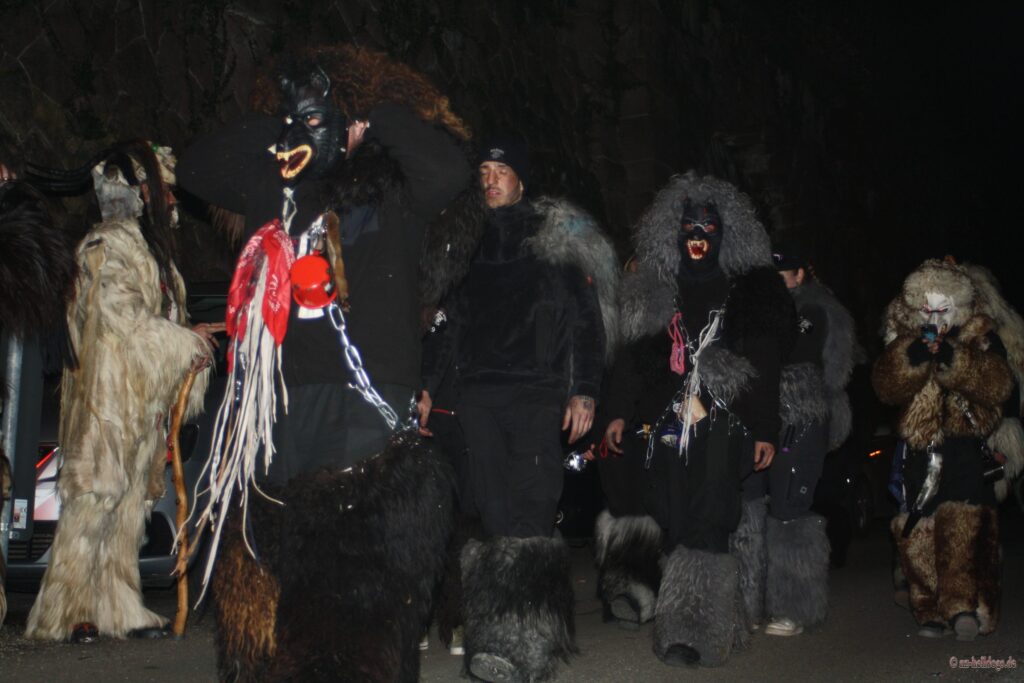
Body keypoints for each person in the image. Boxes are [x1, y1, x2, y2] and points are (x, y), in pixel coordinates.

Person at [176, 46, 474, 680]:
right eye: (299, 120)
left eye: (321, 118)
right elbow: (195, 169)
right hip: (285, 395)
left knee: (363, 562)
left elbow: (451, 171)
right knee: (290, 556)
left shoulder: (394, 189)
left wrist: (375, 116)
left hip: (369, 393)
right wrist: (284, 120)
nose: (305, 131)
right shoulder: (272, 184)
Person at [420, 133, 618, 682]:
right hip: (478, 395)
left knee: (532, 509)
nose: (490, 180)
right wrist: (428, 386)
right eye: (483, 171)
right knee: (493, 513)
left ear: (521, 180)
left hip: (536, 393)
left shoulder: (553, 238)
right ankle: (497, 640)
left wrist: (585, 390)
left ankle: (531, 642)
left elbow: (586, 321)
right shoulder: (466, 242)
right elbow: (447, 326)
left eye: (500, 171)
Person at [595, 171, 795, 667]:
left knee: (710, 511)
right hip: (667, 423)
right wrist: (618, 413)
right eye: (689, 227)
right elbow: (632, 360)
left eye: (708, 227)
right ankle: (710, 614)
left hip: (725, 420)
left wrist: (764, 429)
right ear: (674, 232)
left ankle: (694, 630)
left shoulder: (748, 292)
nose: (698, 236)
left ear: (725, 234)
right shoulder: (656, 292)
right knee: (675, 514)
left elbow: (764, 365)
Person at [22, 142, 216, 642]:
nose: (172, 201)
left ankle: (118, 607)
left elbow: (159, 323)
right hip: (105, 400)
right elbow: (121, 318)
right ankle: (62, 613)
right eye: (165, 191)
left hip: (139, 405)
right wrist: (185, 341)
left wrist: (190, 346)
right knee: (96, 498)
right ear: (141, 192)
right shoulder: (106, 245)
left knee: (130, 507)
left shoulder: (154, 256)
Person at [874, 258, 1022, 641]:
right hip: (920, 449)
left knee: (962, 523)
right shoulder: (904, 337)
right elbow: (885, 387)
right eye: (927, 309)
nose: (935, 317)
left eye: (943, 309)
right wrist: (912, 361)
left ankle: (962, 605)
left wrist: (954, 360)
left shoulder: (979, 335)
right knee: (918, 526)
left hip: (964, 447)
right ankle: (928, 605)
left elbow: (999, 384)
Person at [729, 247, 856, 638]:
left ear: (800, 275)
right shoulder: (755, 308)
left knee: (789, 510)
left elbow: (826, 371)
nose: (775, 278)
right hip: (758, 417)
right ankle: (748, 602)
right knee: (749, 508)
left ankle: (793, 606)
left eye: (782, 272)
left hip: (800, 418)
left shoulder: (817, 311)